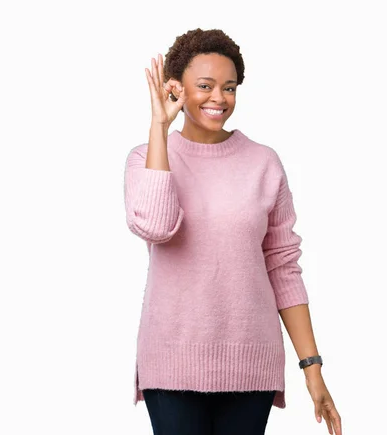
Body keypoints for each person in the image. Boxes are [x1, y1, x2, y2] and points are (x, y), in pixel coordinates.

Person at [124, 28, 342, 435]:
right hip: (173, 360)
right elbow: (155, 226)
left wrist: (312, 369)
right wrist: (159, 126)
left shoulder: (263, 163)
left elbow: (283, 267)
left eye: (229, 88)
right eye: (204, 86)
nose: (218, 99)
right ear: (176, 88)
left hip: (250, 362)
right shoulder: (147, 158)